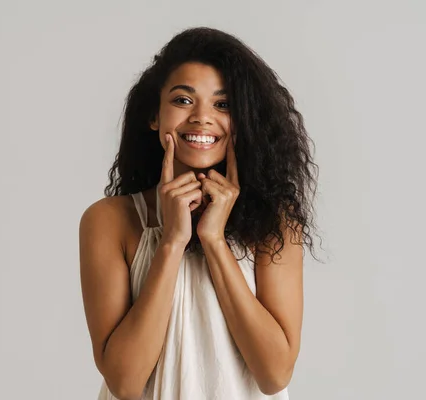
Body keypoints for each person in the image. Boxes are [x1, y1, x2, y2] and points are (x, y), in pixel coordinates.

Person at [79, 26, 320, 400]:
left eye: (222, 105)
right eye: (183, 100)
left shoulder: (275, 224)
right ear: (154, 116)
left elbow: (274, 375)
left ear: (242, 122)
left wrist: (213, 241)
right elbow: (124, 383)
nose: (203, 118)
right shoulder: (110, 220)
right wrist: (172, 242)